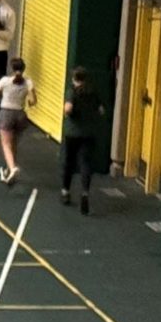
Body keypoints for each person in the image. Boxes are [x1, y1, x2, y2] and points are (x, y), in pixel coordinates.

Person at [61, 66, 101, 214]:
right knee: (85, 164)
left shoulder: (72, 92)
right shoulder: (93, 93)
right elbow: (101, 110)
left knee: (69, 162)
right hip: (89, 133)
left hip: (73, 132)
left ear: (73, 79)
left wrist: (68, 114)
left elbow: (68, 108)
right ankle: (85, 192)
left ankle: (66, 191)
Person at [0, 58, 32, 185]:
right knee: (14, 144)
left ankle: (13, 168)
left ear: (12, 68)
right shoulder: (28, 82)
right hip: (20, 115)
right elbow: (33, 101)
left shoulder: (5, 81)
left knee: (6, 144)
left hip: (6, 113)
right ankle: (9, 169)